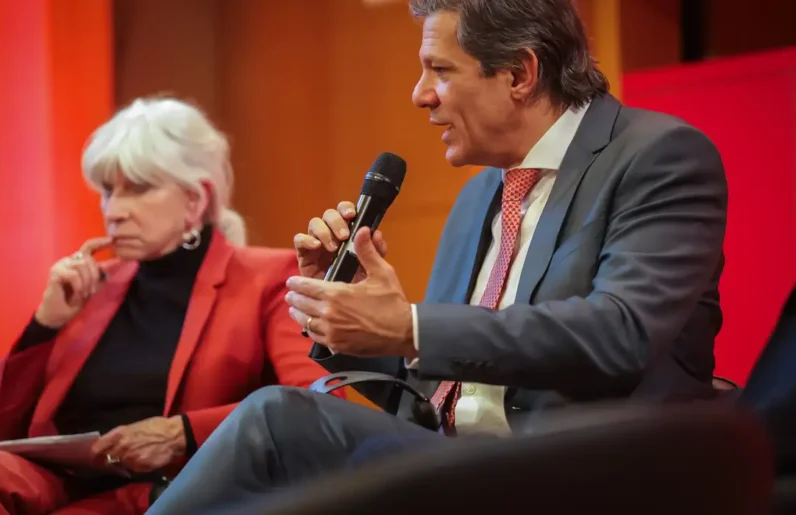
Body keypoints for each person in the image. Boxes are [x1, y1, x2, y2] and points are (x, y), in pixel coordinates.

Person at [146, 0, 728, 512]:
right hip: (456, 467)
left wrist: (411, 327)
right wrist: (352, 316)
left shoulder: (658, 157)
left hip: (580, 475)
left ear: (519, 74)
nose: (420, 94)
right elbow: (432, 395)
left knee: (278, 421)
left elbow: (620, 334)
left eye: (440, 70)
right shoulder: (480, 196)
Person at [0, 97, 343, 514]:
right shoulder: (91, 285)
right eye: (108, 191)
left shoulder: (270, 278)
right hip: (64, 488)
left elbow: (317, 406)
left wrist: (182, 433)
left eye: (139, 188)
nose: (114, 211)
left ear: (195, 200)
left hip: (184, 491)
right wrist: (45, 325)